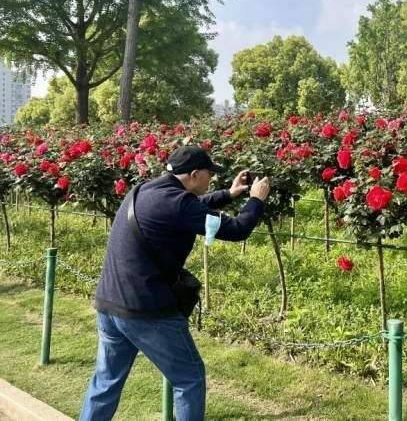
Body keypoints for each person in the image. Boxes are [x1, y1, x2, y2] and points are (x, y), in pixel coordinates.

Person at [79, 145, 271, 421]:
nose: (210, 179)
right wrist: (256, 200)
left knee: (106, 381)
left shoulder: (144, 190)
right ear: (193, 175)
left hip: (109, 303)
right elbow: (237, 229)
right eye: (208, 174)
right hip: (145, 309)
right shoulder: (179, 203)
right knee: (189, 378)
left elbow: (191, 208)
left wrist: (229, 194)